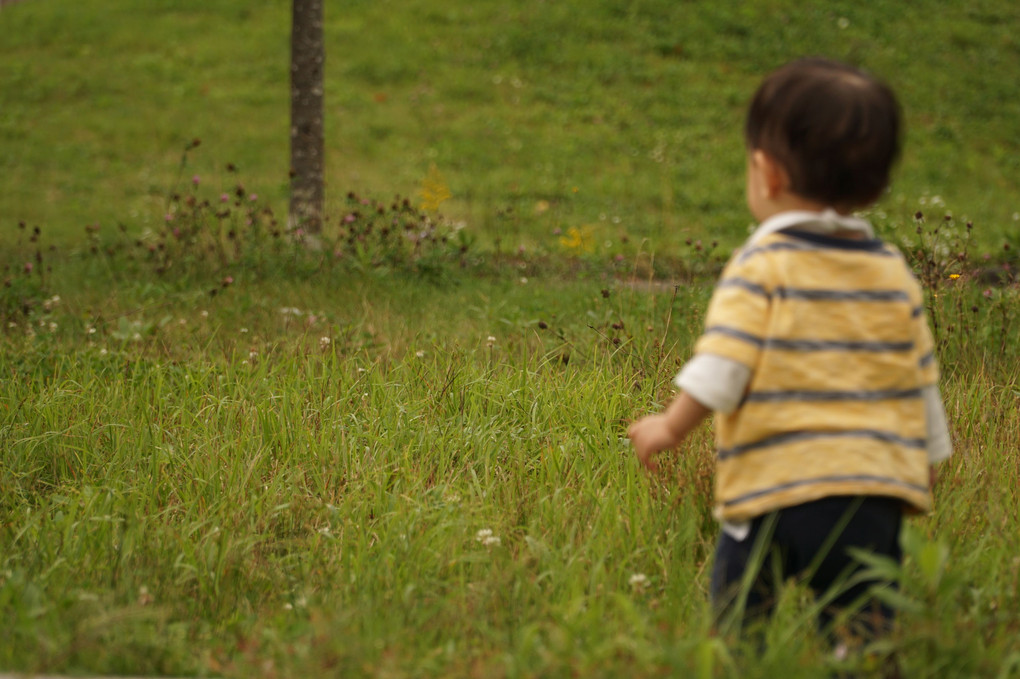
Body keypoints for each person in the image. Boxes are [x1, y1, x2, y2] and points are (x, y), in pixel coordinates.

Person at [627, 58, 952, 641]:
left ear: (767, 174)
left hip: (775, 489)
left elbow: (726, 363)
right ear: (876, 184)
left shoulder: (763, 263)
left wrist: (669, 427)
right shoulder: (893, 273)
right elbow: (918, 378)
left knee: (740, 624)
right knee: (862, 636)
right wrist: (923, 459)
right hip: (872, 494)